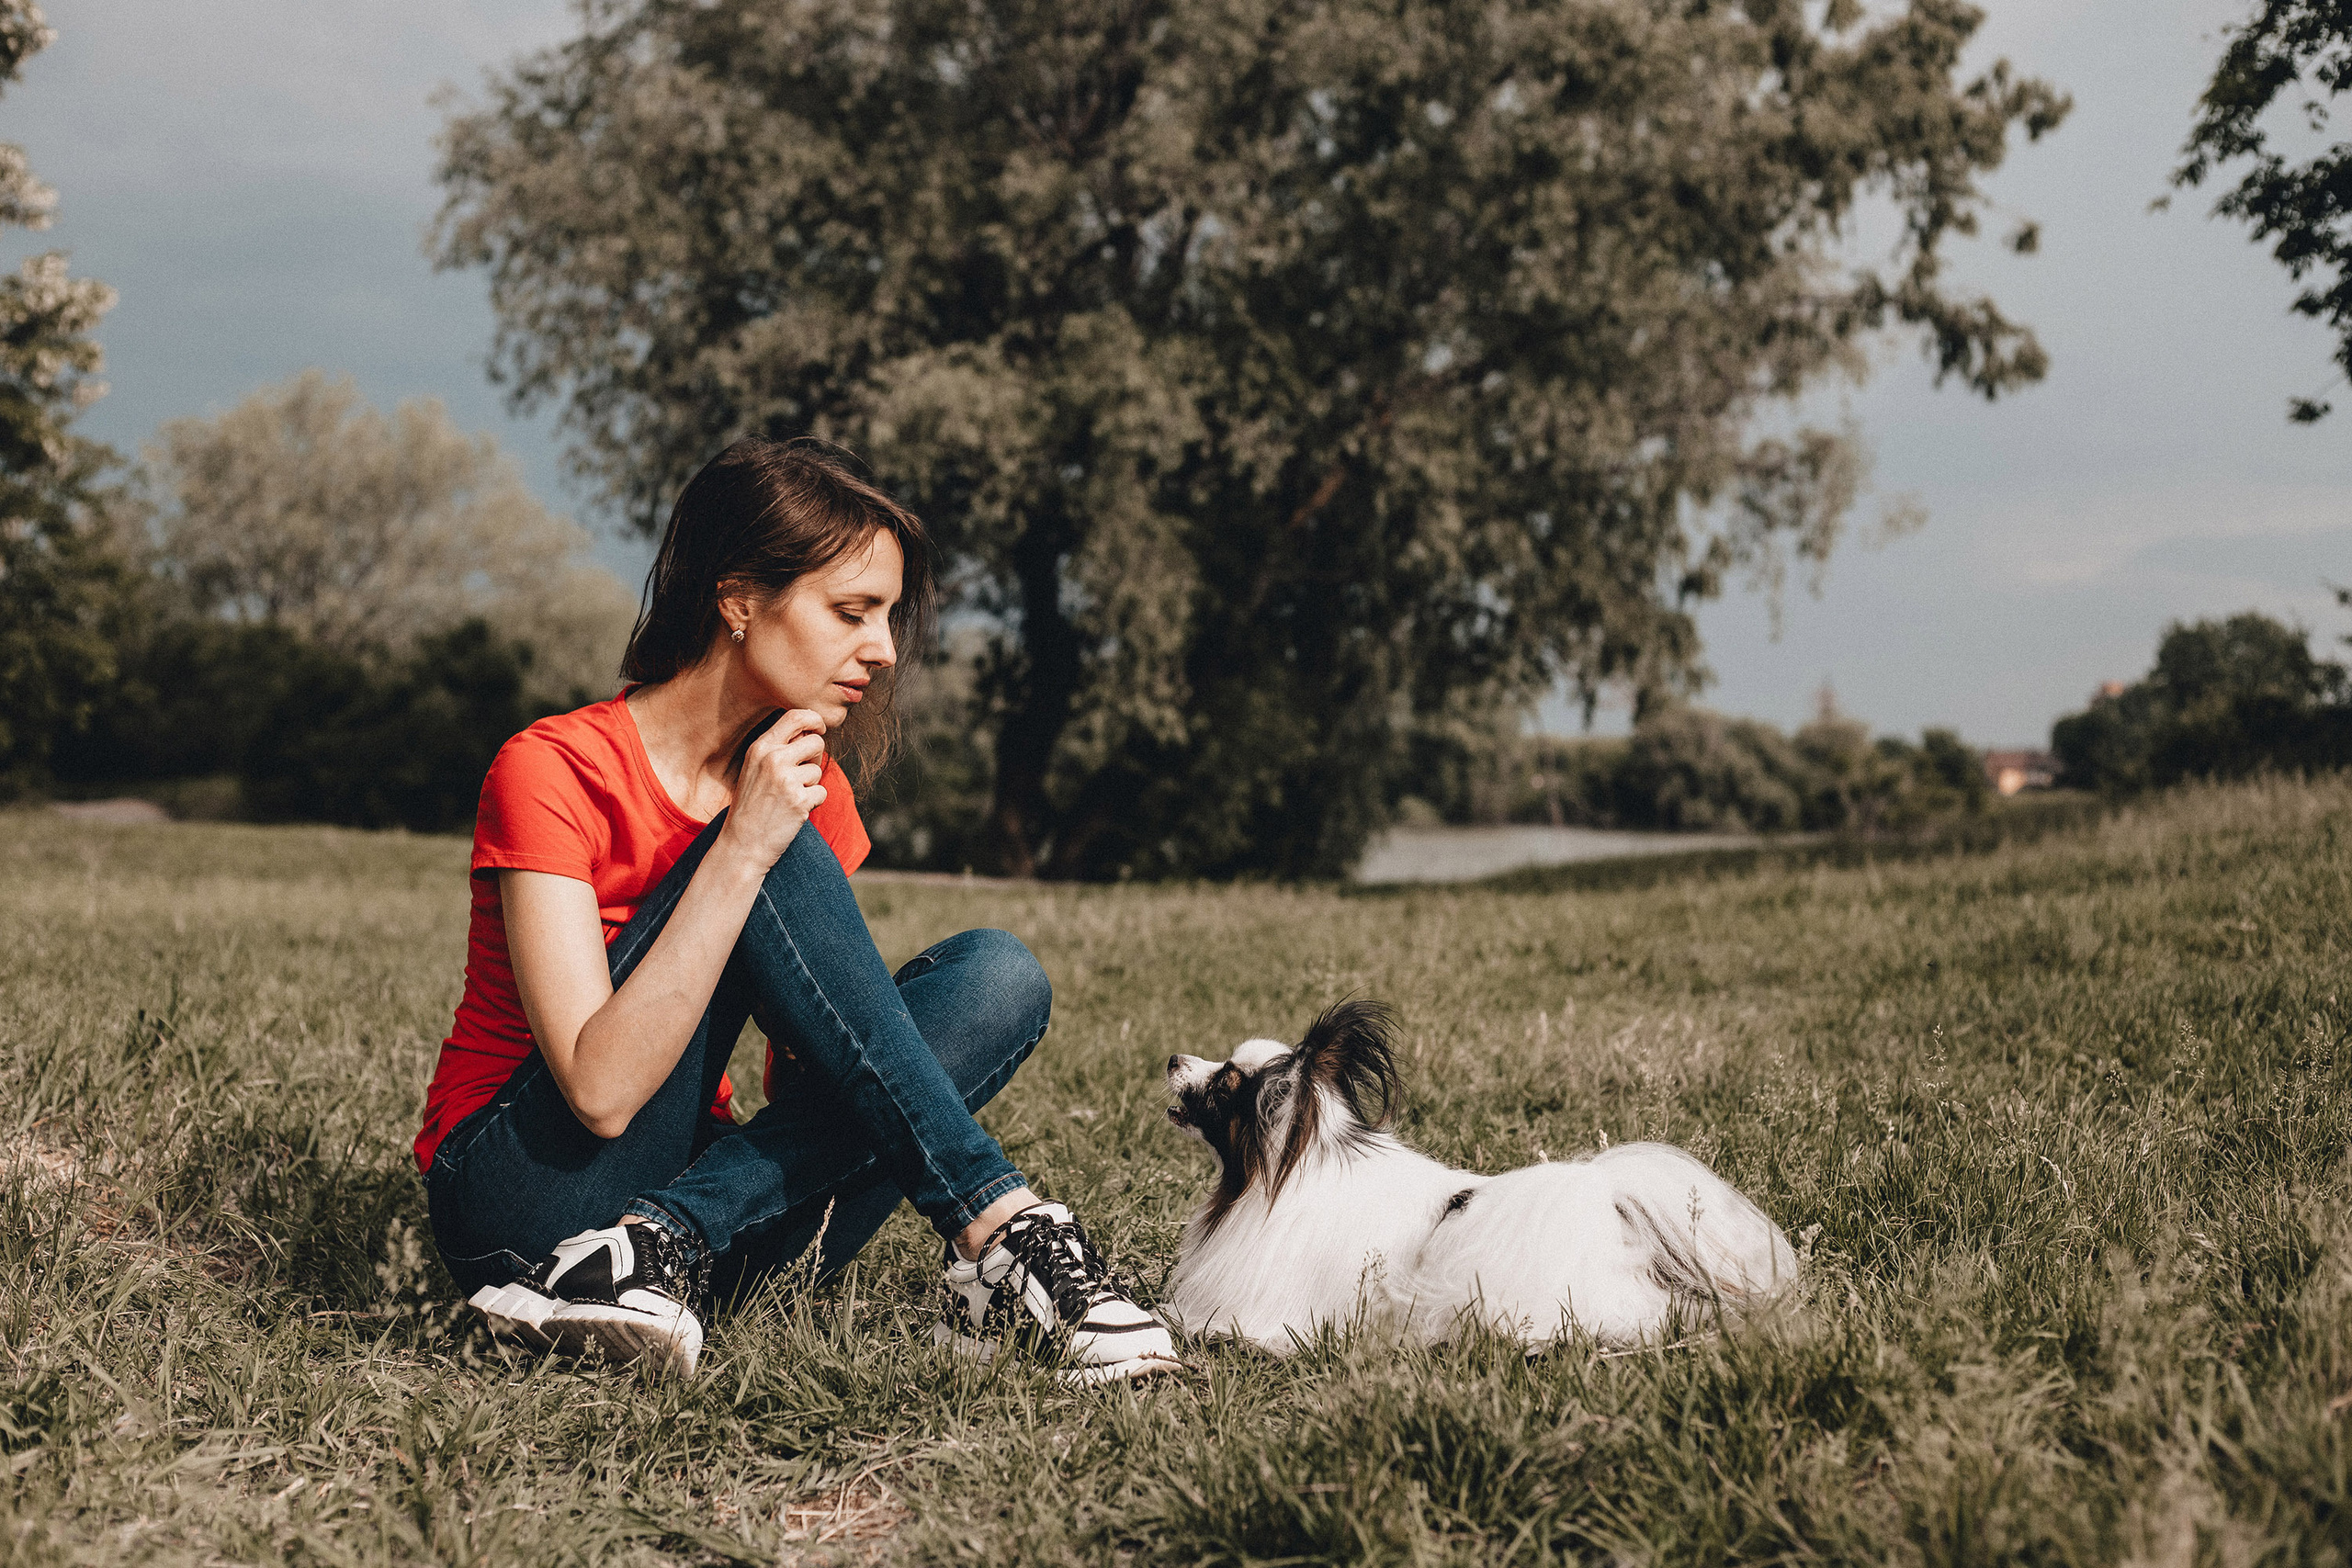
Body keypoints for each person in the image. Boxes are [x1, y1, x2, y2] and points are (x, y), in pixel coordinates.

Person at [414, 436, 1178, 1382]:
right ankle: (998, 1228)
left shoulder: (807, 792)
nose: (884, 649)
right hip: (524, 1206)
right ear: (739, 600)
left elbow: (819, 1096)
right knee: (772, 847)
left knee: (998, 979)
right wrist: (744, 848)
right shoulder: (553, 768)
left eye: (889, 617)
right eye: (852, 612)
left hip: (698, 1234)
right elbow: (599, 1093)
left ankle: (662, 1245)